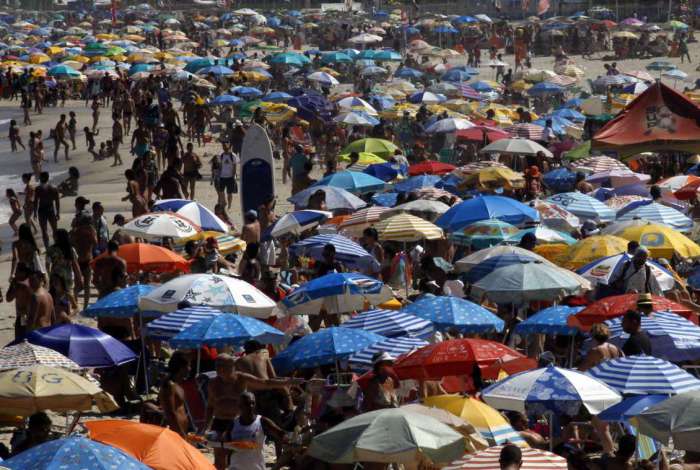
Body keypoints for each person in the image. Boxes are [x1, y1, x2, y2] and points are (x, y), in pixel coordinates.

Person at [202, 354, 302, 469]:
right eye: (217, 365)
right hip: (219, 422)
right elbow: (210, 406)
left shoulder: (242, 379)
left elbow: (265, 383)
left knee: (238, 456)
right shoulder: (213, 383)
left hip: (237, 423)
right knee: (219, 458)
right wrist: (206, 426)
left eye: (222, 365)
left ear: (232, 366)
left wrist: (288, 382)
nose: (219, 368)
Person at [226, 392, 287, 470]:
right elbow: (227, 448)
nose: (250, 406)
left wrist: (291, 439)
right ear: (240, 406)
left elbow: (281, 434)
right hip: (236, 467)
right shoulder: (233, 424)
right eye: (247, 403)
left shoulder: (262, 421)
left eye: (253, 403)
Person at [159, 351, 191, 437]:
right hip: (175, 432)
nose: (190, 369)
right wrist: (181, 433)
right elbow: (170, 413)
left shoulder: (177, 384)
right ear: (181, 368)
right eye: (188, 366)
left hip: (180, 430)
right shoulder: (169, 385)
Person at [71, 214, 97, 310]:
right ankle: (79, 304)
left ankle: (82, 305)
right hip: (84, 260)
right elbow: (95, 243)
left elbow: (72, 242)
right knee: (82, 285)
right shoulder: (81, 231)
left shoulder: (78, 231)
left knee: (83, 285)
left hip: (84, 260)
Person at [6, 263, 33, 340]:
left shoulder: (29, 283)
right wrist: (14, 287)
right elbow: (8, 299)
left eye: (17, 271)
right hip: (20, 317)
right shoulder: (15, 283)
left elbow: (33, 300)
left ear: (23, 273)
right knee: (19, 341)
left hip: (29, 316)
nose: (15, 273)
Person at [34, 171, 60, 250]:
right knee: (55, 229)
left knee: (44, 230)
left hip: (42, 211)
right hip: (51, 210)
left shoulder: (38, 188)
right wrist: (58, 212)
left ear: (43, 178)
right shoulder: (54, 187)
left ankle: (47, 247)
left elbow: (36, 201)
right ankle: (57, 245)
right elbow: (57, 201)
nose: (39, 179)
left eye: (40, 177)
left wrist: (35, 212)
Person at [218, 143, 238, 209]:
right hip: (222, 177)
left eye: (226, 146)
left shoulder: (233, 156)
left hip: (230, 177)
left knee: (229, 193)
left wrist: (234, 176)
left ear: (229, 147)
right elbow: (220, 166)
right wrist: (218, 175)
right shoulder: (221, 156)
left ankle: (229, 205)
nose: (225, 148)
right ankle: (224, 202)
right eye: (224, 147)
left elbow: (235, 167)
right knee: (221, 192)